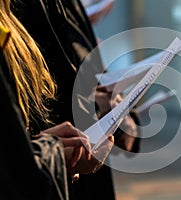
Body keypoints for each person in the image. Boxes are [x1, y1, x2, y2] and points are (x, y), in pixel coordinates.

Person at [12, 0, 140, 199]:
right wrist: (53, 153)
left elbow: (90, 68)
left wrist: (122, 109)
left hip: (80, 164)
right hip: (55, 172)